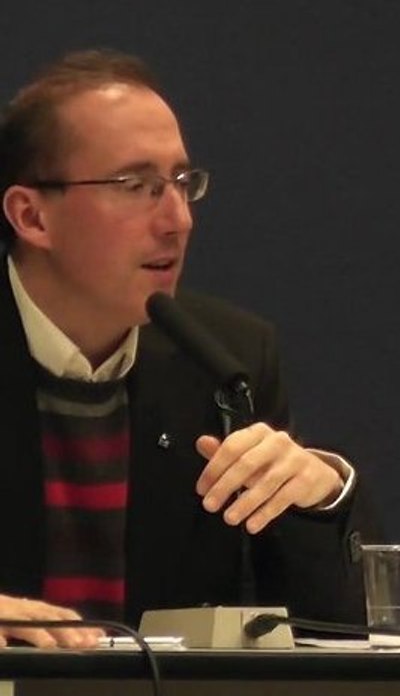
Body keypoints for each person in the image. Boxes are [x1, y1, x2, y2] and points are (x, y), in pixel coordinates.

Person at [0, 49, 370, 648]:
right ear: (31, 216)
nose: (178, 220)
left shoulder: (226, 361)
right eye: (137, 185)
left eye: (180, 182)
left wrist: (320, 500)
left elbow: (334, 635)